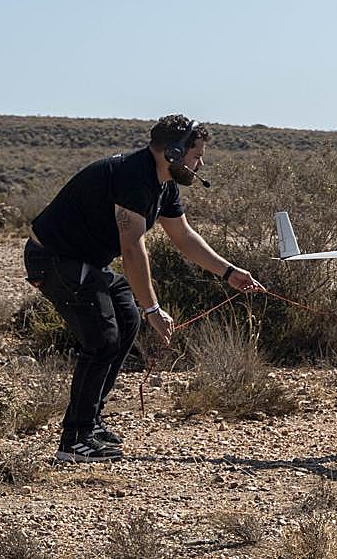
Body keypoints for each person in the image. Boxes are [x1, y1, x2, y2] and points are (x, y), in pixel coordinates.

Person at [23, 113, 264, 462]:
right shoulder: (134, 176)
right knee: (103, 338)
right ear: (172, 153)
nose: (200, 164)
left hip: (86, 263)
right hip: (54, 260)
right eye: (196, 156)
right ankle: (74, 439)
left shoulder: (164, 184)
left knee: (126, 319)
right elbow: (133, 247)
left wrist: (228, 272)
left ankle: (89, 422)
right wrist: (152, 307)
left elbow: (183, 236)